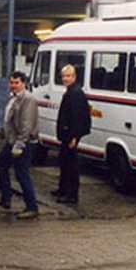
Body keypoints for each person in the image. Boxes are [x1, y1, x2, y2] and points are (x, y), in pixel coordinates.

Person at [0, 70, 39, 219]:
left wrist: (19, 145)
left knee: (22, 174)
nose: (13, 85)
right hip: (11, 141)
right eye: (11, 82)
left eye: (17, 83)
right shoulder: (12, 98)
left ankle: (32, 207)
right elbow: (8, 122)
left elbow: (27, 125)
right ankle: (6, 198)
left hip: (23, 143)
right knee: (0, 165)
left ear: (23, 83)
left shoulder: (28, 99)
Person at [54, 64, 91, 204]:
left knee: (71, 165)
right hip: (66, 133)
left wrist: (75, 137)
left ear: (74, 77)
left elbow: (78, 116)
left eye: (68, 76)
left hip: (71, 135)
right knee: (63, 161)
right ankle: (62, 189)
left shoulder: (75, 93)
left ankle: (71, 195)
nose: (65, 79)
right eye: (63, 76)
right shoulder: (71, 91)